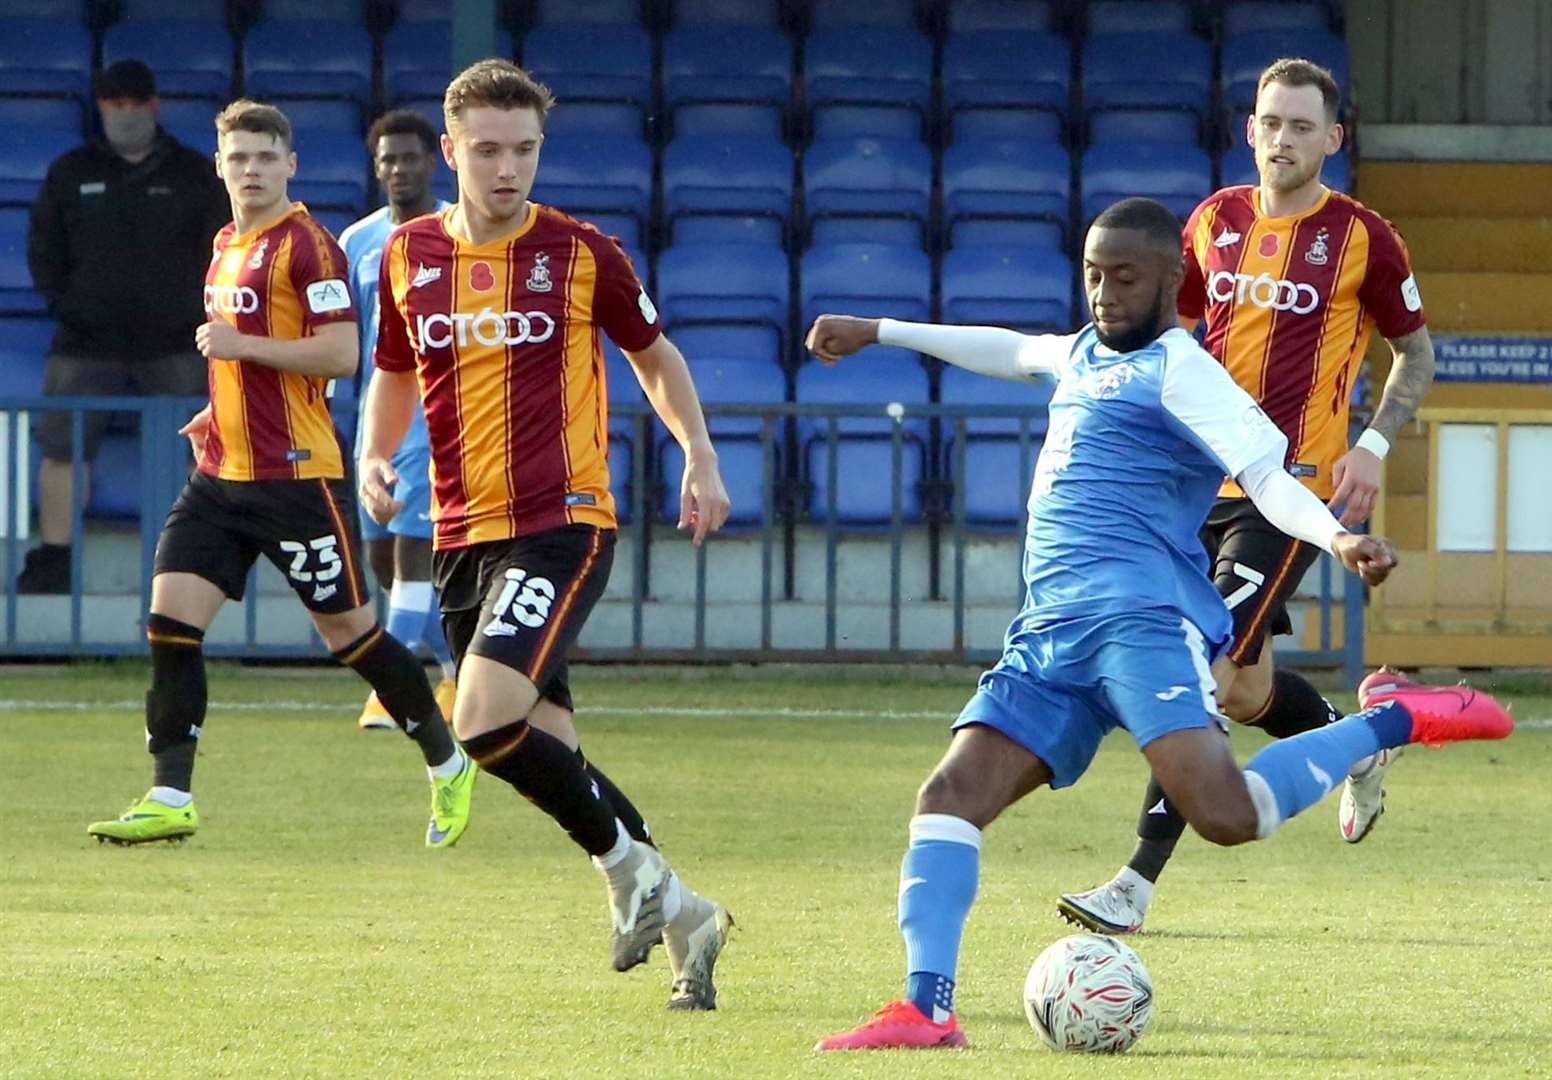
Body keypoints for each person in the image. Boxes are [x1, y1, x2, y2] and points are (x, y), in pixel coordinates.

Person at [805, 197, 1511, 1052]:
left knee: (1226, 813)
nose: (1105, 292)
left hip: (1142, 622)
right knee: (948, 798)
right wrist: (878, 329)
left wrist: (1339, 536)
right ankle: (927, 1008)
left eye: (1125, 277)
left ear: (1173, 281)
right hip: (1050, 635)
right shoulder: (1079, 354)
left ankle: (1395, 720)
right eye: (1094, 274)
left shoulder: (1186, 372)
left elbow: (1267, 475)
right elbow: (1006, 348)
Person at [359, 60, 734, 1010]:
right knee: (547, 750)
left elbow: (655, 357)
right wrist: (373, 452)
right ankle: (687, 914)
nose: (507, 168)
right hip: (458, 536)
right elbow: (395, 370)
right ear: (449, 152)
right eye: (486, 150)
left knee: (480, 719)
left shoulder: (581, 253)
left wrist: (700, 455)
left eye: (523, 149)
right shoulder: (408, 256)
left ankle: (629, 878)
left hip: (561, 523)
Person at [1058, 57, 1440, 937]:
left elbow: (1417, 354)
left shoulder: (1365, 239)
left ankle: (1134, 885)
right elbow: (1171, 338)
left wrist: (1374, 445)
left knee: (1202, 668)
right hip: (1196, 483)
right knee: (1246, 693)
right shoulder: (1212, 222)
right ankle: (1362, 738)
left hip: (1291, 492)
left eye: (1302, 127)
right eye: (1271, 122)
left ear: (1332, 140)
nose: (1283, 139)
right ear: (1250, 130)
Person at [86, 100, 475, 851]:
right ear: (219, 165)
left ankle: (446, 757)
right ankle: (170, 794)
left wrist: (242, 347)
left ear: (290, 165)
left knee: (353, 637)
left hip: (297, 479)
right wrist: (218, 409)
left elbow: (337, 354)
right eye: (240, 158)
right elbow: (239, 363)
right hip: (222, 475)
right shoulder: (227, 241)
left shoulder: (311, 248)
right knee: (169, 624)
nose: (253, 170)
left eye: (267, 157)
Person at [20, 59, 228, 594]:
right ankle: (54, 558)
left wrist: (192, 312)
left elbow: (221, 250)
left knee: (203, 447)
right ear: (100, 107)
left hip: (177, 339)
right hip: (84, 341)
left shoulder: (192, 173)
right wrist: (70, 307)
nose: (126, 113)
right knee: (62, 446)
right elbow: (44, 251)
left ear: (154, 106)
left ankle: (195, 560)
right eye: (115, 103)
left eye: (136, 103)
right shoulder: (70, 171)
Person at [338, 110, 457, 731]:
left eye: (409, 158)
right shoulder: (357, 243)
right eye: (388, 159)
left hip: (437, 412)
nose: (399, 169)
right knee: (382, 562)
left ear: (430, 162)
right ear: (376, 166)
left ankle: (390, 686)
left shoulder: (456, 231)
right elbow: (344, 334)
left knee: (416, 552)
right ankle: (461, 669)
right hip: (375, 419)